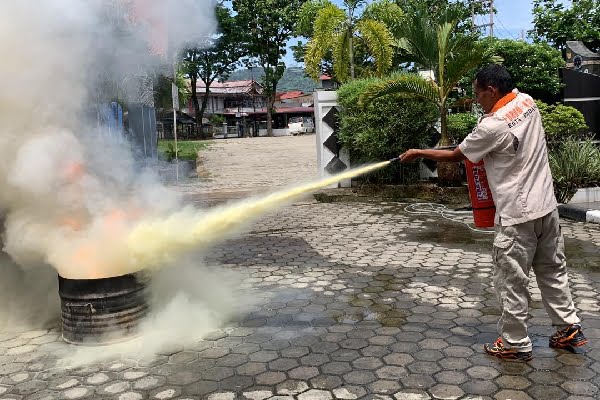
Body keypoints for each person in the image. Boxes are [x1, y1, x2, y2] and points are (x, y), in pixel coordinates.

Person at [399, 64, 587, 361]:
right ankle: (568, 328)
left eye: (478, 95)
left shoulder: (492, 125)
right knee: (552, 271)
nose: (476, 100)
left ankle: (515, 343)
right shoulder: (527, 102)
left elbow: (457, 155)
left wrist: (419, 153)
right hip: (547, 208)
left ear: (491, 90)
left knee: (511, 280)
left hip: (517, 214)